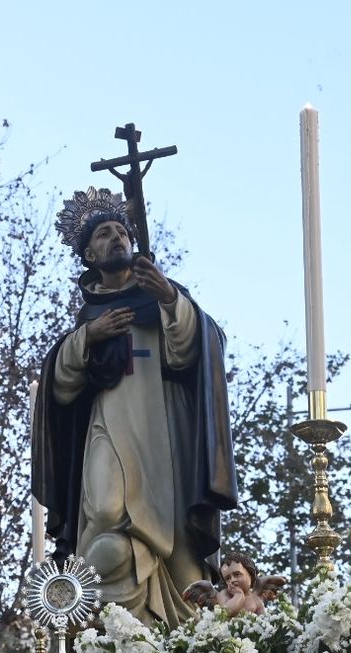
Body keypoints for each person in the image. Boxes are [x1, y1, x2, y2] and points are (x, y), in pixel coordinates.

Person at [32, 188, 235, 628]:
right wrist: (90, 336)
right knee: (104, 514)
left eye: (122, 231)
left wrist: (168, 299)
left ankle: (178, 636)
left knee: (181, 543)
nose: (116, 238)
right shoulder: (89, 316)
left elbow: (197, 351)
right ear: (88, 252)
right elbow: (61, 387)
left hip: (167, 433)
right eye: (104, 234)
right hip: (109, 422)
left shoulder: (163, 296)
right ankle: (114, 633)